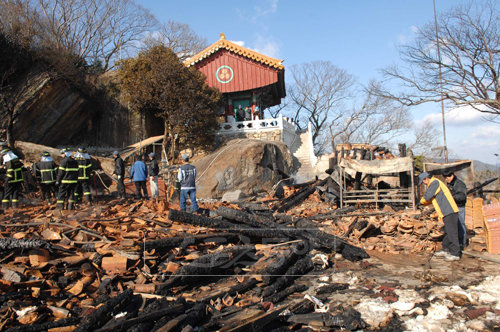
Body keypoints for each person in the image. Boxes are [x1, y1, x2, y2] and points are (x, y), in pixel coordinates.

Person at [418, 172, 461, 261]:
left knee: (452, 233)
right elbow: (431, 198)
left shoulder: (434, 183)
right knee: (447, 231)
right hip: (446, 212)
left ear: (426, 179)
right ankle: (445, 249)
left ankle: (455, 254)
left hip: (449, 211)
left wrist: (421, 202)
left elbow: (427, 196)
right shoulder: (435, 183)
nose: (424, 184)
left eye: (423, 182)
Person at [444, 171, 467, 249]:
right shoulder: (450, 184)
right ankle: (455, 242)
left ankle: (462, 243)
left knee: (461, 225)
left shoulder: (459, 184)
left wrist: (451, 197)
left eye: (447, 177)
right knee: (454, 226)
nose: (446, 179)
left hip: (459, 207)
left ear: (452, 176)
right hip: (452, 207)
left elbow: (462, 196)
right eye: (445, 178)